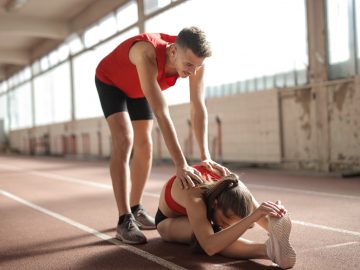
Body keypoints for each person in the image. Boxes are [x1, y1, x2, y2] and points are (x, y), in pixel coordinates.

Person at [95, 26, 230, 244]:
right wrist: (181, 164)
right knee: (125, 139)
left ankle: (136, 207)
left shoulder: (194, 62)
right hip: (111, 82)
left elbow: (197, 106)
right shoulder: (146, 53)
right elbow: (161, 112)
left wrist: (205, 156)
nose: (192, 72)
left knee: (145, 145)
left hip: (139, 87)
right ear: (173, 51)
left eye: (197, 67)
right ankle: (124, 219)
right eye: (188, 66)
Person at [156, 164, 296, 269]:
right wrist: (252, 217)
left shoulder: (234, 186)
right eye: (224, 221)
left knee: (224, 233)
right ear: (214, 204)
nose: (224, 226)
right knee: (214, 236)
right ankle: (269, 250)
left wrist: (275, 215)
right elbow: (209, 247)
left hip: (203, 211)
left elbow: (259, 214)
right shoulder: (195, 197)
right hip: (168, 221)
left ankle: (276, 246)